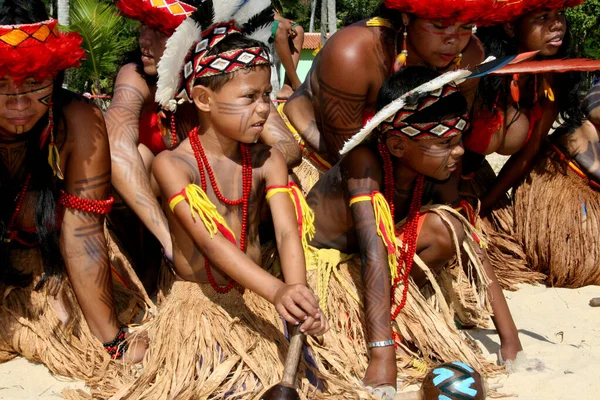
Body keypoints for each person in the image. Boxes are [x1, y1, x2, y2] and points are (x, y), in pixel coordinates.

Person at [101, 3, 340, 398]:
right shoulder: (173, 166)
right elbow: (212, 244)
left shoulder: (268, 160)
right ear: (203, 99)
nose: (265, 107)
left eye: (267, 94)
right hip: (202, 305)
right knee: (235, 387)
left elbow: (285, 232)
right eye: (250, 97)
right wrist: (278, 292)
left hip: (259, 296)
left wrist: (297, 295)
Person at [305, 67, 523, 398]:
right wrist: (382, 356)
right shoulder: (363, 163)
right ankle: (365, 330)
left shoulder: (440, 166)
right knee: (394, 244)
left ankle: (394, 315)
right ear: (396, 144)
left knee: (447, 227)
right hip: (327, 272)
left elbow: (471, 246)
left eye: (460, 139)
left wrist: (510, 340)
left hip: (380, 265)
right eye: (445, 142)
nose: (459, 150)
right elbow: (372, 249)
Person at [107, 0, 301, 292]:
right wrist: (166, 235)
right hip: (167, 203)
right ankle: (147, 282)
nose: (144, 40)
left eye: (159, 31)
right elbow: (115, 146)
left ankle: (274, 272)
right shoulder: (135, 75)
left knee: (286, 179)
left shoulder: (233, 75)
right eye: (143, 28)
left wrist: (227, 160)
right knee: (140, 157)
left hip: (222, 191)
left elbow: (287, 147)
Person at [0, 0, 146, 382]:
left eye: (34, 84)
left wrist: (114, 342)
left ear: (55, 76)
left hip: (49, 262)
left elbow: (83, 236)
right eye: (0, 85)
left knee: (67, 323)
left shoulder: (77, 121)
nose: (18, 104)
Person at [282, 0, 505, 167]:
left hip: (413, 164)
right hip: (321, 155)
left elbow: (455, 135)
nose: (453, 40)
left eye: (466, 27)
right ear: (407, 16)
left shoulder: (470, 55)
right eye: (439, 26)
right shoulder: (354, 54)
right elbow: (346, 157)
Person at [271, 10, 305, 100]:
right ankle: (296, 83)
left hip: (266, 18)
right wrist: (280, 20)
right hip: (248, 20)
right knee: (280, 27)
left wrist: (281, 19)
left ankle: (287, 86)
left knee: (298, 30)